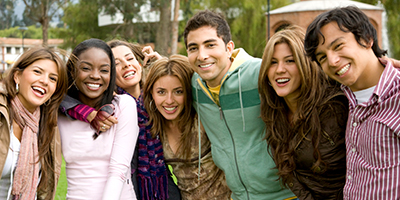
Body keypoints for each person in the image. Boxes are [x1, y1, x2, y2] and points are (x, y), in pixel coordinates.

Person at [183, 10, 296, 200]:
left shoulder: (260, 74)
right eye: (193, 48)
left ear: (229, 48)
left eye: (210, 45)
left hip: (285, 194)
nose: (202, 55)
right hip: (239, 196)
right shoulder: (194, 85)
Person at [60, 40, 181, 200]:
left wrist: (162, 66)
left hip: (163, 185)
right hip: (133, 187)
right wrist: (87, 112)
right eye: (117, 63)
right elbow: (61, 100)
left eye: (130, 59)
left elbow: (182, 85)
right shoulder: (111, 107)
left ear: (140, 63)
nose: (126, 65)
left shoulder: (157, 100)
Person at [304, 6, 400, 200]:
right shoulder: (342, 95)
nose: (331, 61)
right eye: (322, 57)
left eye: (338, 46)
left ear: (366, 39)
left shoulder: (396, 96)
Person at [259, 26, 348, 199]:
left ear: (306, 63)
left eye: (290, 61)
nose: (279, 70)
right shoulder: (274, 110)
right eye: (273, 62)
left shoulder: (336, 107)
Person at [58, 38, 138, 199]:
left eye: (104, 70)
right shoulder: (59, 113)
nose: (95, 76)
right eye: (86, 68)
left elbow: (118, 170)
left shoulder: (123, 105)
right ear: (73, 71)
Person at [142, 54, 231, 199]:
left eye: (178, 91)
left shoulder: (203, 118)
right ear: (151, 93)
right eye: (161, 92)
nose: (169, 100)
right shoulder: (152, 125)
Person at [0, 47, 68, 199]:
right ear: (17, 76)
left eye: (53, 78)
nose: (44, 81)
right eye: (37, 72)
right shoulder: (1, 114)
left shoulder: (49, 124)